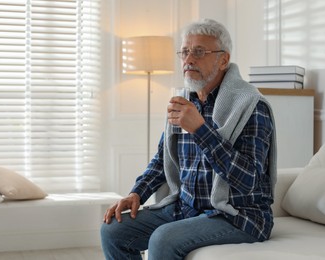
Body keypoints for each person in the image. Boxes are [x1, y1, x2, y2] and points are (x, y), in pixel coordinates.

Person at [101, 18, 277, 260]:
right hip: (187, 209)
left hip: (238, 215)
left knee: (163, 239)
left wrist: (201, 130)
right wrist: (136, 194)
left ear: (223, 59)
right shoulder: (184, 100)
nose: (188, 59)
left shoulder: (250, 105)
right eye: (184, 51)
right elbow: (162, 160)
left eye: (199, 52)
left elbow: (250, 180)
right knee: (114, 230)